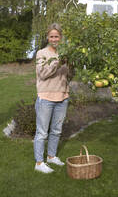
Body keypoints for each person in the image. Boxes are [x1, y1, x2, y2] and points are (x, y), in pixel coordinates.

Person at [34, 23, 69, 173]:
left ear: (60, 38)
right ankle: (39, 163)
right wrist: (57, 62)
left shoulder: (66, 53)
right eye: (52, 36)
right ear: (48, 37)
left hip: (63, 96)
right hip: (46, 97)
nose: (54, 39)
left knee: (56, 130)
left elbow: (69, 75)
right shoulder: (42, 53)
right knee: (42, 132)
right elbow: (42, 74)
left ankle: (51, 156)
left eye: (57, 36)